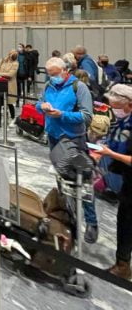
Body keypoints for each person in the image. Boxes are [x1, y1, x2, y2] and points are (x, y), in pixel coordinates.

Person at [36, 57, 99, 243]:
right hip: (54, 138)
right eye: (49, 74)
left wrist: (62, 115)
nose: (52, 77)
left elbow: (87, 117)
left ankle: (91, 221)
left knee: (83, 181)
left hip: (74, 139)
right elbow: (39, 104)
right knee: (61, 178)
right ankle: (67, 215)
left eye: (55, 74)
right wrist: (42, 106)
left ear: (65, 71)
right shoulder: (48, 86)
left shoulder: (79, 87)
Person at [93, 84, 132, 280]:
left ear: (128, 105)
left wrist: (111, 154)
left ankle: (123, 266)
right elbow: (113, 141)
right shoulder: (122, 122)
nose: (113, 109)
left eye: (116, 106)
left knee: (126, 222)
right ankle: (122, 263)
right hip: (127, 179)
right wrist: (101, 151)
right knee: (124, 220)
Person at [0, 50, 19, 121]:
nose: (12, 56)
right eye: (11, 55)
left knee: (9, 102)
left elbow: (11, 74)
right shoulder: (3, 60)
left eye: (14, 56)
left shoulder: (15, 63)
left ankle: (12, 117)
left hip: (9, 84)